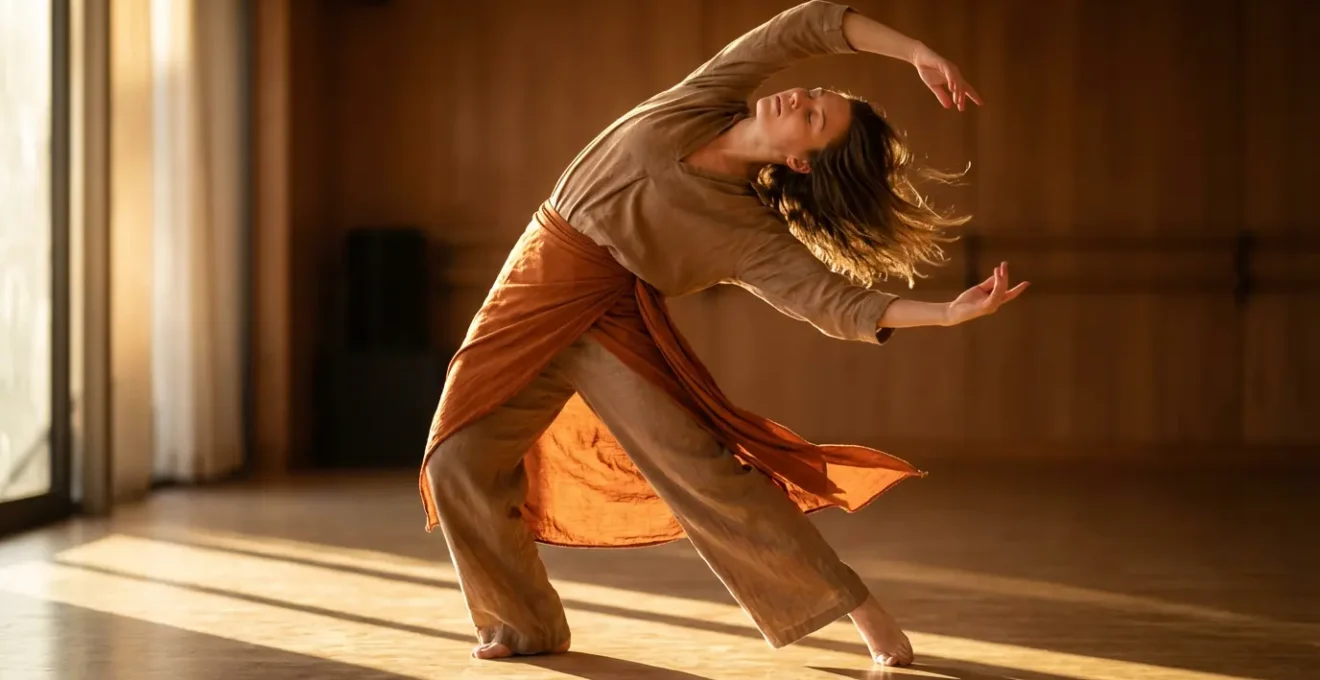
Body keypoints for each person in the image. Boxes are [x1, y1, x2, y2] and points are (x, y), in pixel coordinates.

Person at [418, 0, 1027, 668]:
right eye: (816, 94)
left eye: (813, 117)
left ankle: (860, 609)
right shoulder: (706, 99)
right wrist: (914, 51)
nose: (799, 97)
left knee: (705, 474)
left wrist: (944, 314)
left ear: (801, 161)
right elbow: (807, 25)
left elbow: (836, 302)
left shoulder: (747, 234)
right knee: (457, 459)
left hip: (614, 322)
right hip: (534, 281)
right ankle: (523, 624)